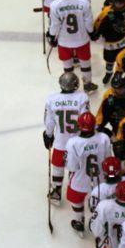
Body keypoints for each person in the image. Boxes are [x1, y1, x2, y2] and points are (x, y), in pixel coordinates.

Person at [43, 72, 89, 205]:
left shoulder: (52, 99)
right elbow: (86, 118)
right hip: (77, 142)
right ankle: (73, 188)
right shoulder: (82, 97)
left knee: (58, 165)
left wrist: (48, 135)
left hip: (60, 142)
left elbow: (49, 122)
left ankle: (56, 191)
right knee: (75, 166)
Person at [47, 0, 98, 93]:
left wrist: (51, 36)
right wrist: (92, 32)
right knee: (85, 63)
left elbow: (54, 25)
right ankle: (87, 84)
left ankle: (69, 84)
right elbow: (88, 21)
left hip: (64, 41)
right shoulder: (83, 2)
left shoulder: (55, 4)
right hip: (81, 39)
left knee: (67, 64)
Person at [65, 112, 111, 236]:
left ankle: (79, 220)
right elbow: (108, 161)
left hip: (80, 180)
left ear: (79, 125)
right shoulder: (104, 138)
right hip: (100, 180)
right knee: (101, 202)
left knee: (76, 198)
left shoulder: (73, 142)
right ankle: (100, 221)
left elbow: (71, 166)